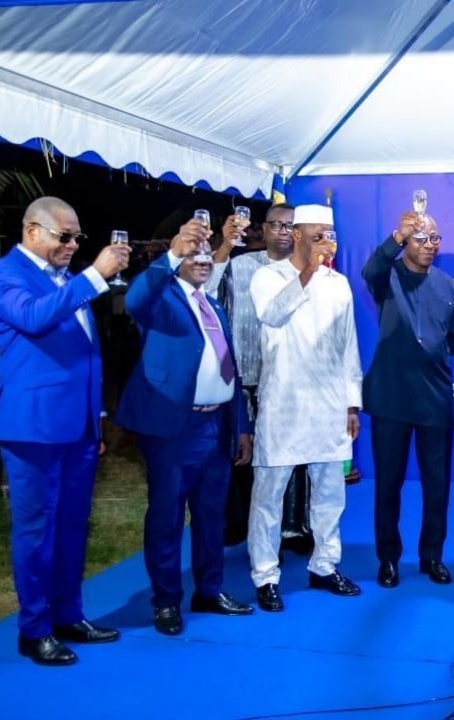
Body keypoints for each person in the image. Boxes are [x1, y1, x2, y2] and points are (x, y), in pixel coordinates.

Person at [0, 196, 128, 666]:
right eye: (64, 236)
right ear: (32, 231)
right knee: (36, 532)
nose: (73, 244)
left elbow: (85, 356)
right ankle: (34, 630)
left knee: (71, 527)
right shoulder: (4, 275)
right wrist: (95, 276)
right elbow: (34, 318)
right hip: (32, 428)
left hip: (78, 427)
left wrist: (95, 418)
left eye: (77, 237)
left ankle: (68, 615)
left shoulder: (65, 280)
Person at [115, 217, 255, 636]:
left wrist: (241, 425)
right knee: (167, 516)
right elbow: (134, 297)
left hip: (217, 425)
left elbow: (229, 370)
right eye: (193, 255)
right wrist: (174, 250)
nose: (202, 260)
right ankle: (166, 601)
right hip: (175, 428)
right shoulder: (161, 299)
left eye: (206, 254)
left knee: (212, 515)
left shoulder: (212, 305)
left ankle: (209, 590)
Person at [247, 203, 363, 610]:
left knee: (331, 493)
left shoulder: (339, 284)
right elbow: (272, 315)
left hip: (329, 404)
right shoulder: (267, 276)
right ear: (296, 235)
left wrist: (352, 403)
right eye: (317, 237)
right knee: (269, 496)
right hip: (283, 404)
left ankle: (325, 565)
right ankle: (265, 574)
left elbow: (348, 345)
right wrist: (309, 271)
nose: (325, 244)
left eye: (329, 237)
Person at [363, 209, 454, 588]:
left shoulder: (449, 286)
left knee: (437, 486)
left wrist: (427, 355)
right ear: (406, 241)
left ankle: (432, 556)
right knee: (388, 484)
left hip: (435, 398)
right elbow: (371, 268)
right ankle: (388, 558)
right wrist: (396, 235)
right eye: (420, 238)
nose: (429, 245)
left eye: (434, 238)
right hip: (390, 396)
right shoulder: (386, 277)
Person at [206, 203, 312, 554]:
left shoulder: (308, 271)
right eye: (276, 225)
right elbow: (206, 292)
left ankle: (293, 527)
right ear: (262, 229)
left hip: (287, 379)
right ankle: (240, 523)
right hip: (241, 375)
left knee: (290, 455)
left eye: (290, 226)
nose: (283, 231)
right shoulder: (239, 266)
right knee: (240, 454)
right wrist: (224, 245)